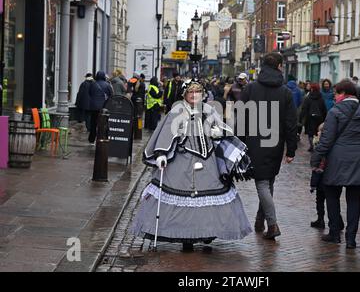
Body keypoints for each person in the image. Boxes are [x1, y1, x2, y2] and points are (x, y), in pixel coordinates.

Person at [132, 78, 253, 251]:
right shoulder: (177, 111)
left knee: (209, 200)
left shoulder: (209, 109)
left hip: (208, 161)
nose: (194, 95)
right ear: (185, 94)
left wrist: (217, 132)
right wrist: (161, 154)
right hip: (183, 160)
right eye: (191, 92)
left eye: (198, 92)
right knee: (186, 199)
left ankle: (206, 234)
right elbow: (167, 133)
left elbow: (222, 128)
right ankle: (186, 238)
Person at [311, 79, 360, 249]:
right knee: (354, 200)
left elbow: (326, 140)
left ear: (344, 94)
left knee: (332, 196)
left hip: (337, 160)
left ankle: (334, 234)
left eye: (337, 94)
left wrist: (316, 159)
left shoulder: (335, 111)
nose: (335, 97)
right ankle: (351, 239)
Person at [240, 52, 298, 240]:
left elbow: (240, 118)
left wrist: (239, 143)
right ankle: (260, 220)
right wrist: (291, 150)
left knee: (263, 182)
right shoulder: (285, 92)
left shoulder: (250, 89)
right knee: (267, 181)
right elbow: (291, 123)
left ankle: (272, 225)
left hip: (254, 142)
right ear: (279, 67)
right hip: (275, 143)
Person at [299, 83, 328, 152]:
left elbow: (304, 108)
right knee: (318, 132)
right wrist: (325, 118)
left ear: (312, 89)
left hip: (310, 118)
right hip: (319, 118)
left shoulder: (308, 98)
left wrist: (301, 118)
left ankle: (311, 146)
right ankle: (316, 145)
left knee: (310, 133)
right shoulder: (321, 98)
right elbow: (324, 109)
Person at [88, 71, 113, 144]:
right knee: (103, 123)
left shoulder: (93, 84)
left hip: (93, 107)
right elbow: (111, 95)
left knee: (93, 123)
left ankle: (91, 139)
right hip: (103, 107)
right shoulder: (107, 85)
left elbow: (90, 93)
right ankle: (101, 138)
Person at [286, 76, 303, 142]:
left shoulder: (285, 88)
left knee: (286, 122)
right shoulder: (298, 90)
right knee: (294, 123)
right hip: (294, 109)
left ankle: (286, 135)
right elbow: (300, 100)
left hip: (286, 109)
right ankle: (294, 135)